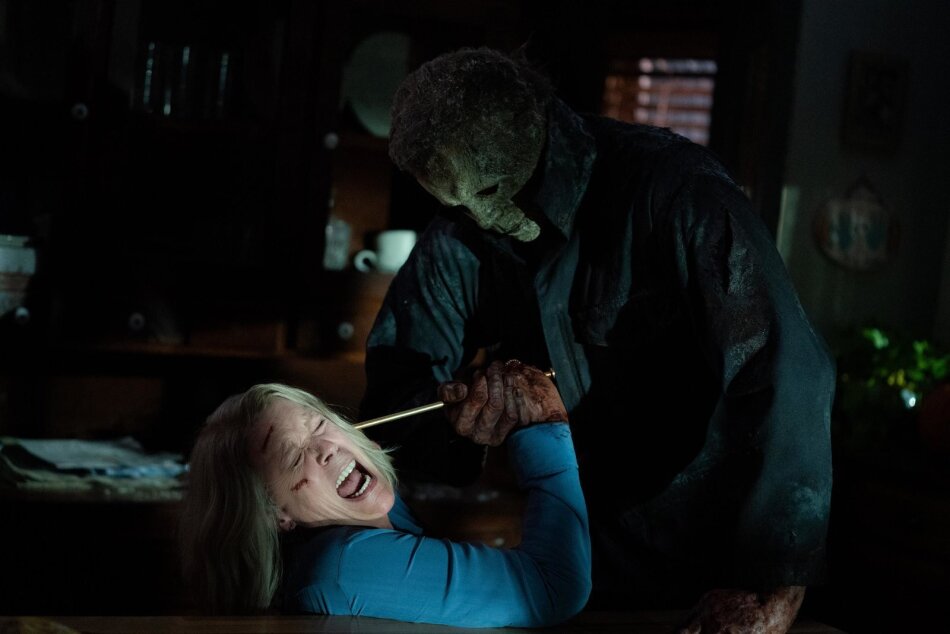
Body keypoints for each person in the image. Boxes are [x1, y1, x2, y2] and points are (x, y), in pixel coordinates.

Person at [360, 46, 835, 633]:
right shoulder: (458, 231)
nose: (484, 220)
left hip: (721, 550)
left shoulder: (673, 189)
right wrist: (458, 425)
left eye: (492, 188)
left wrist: (771, 586)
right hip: (588, 553)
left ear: (533, 123)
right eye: (453, 202)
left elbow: (787, 367)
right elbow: (393, 398)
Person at [178, 365, 591, 628]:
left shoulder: (372, 517)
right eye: (293, 456)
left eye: (318, 424)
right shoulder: (343, 566)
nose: (325, 448)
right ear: (274, 515)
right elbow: (555, 588)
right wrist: (543, 428)